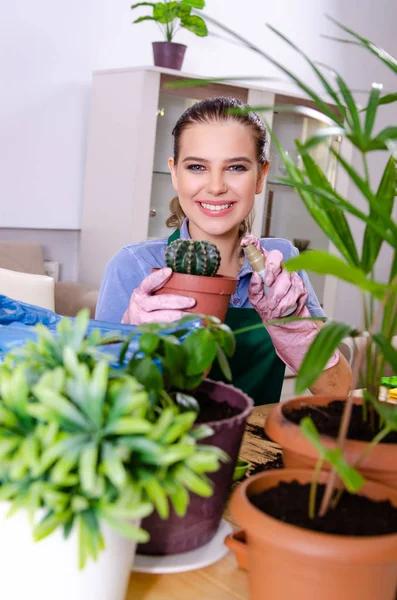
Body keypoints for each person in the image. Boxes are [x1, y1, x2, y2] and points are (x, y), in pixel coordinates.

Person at [96, 97, 352, 404]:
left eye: (235, 167)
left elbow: (337, 390)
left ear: (260, 175)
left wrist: (298, 332)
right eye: (197, 167)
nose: (216, 186)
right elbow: (100, 399)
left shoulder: (279, 262)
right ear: (175, 173)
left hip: (255, 447)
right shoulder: (135, 264)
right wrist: (131, 341)